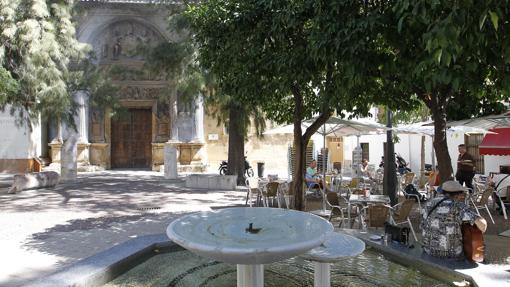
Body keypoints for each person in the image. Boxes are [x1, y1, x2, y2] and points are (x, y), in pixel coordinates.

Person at [421, 180, 487, 259]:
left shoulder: (428, 203)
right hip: (451, 253)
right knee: (479, 248)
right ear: (458, 194)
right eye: (462, 194)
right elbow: (482, 224)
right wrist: (478, 232)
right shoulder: (458, 206)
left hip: (428, 250)